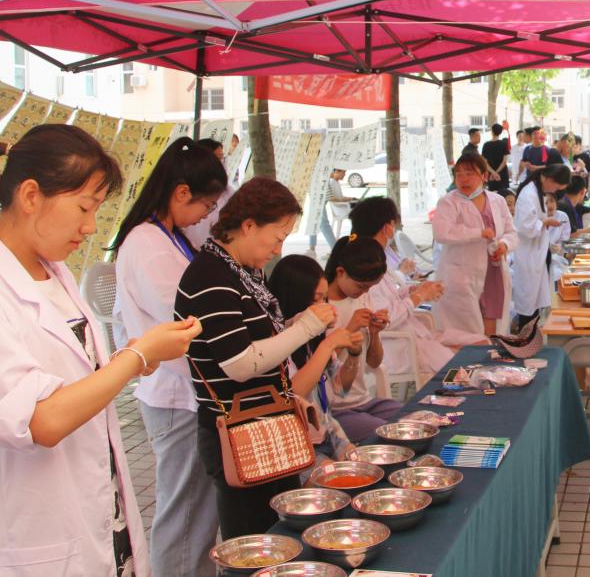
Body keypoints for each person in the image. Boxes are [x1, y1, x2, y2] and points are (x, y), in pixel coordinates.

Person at [0, 124, 202, 576]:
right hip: (37, 532)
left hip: (99, 510)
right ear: (30, 195)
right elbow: (41, 419)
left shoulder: (54, 273)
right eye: (84, 207)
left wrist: (132, 357)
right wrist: (134, 359)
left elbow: (71, 380)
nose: (90, 227)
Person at [177, 177, 337, 539]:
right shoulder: (210, 277)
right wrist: (306, 327)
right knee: (253, 541)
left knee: (279, 535)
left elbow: (261, 341)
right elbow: (240, 364)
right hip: (239, 429)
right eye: (277, 237)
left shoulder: (244, 271)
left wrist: (298, 323)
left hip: (268, 418)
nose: (278, 248)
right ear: (248, 225)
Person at [110, 137, 226, 577]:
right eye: (206, 205)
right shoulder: (147, 243)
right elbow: (185, 318)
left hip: (183, 393)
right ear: (181, 192)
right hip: (174, 397)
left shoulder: (171, 237)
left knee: (197, 515)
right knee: (184, 516)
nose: (206, 216)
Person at [350, 197, 488, 378]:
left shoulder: (375, 256)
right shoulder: (365, 266)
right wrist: (419, 297)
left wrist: (412, 291)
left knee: (481, 344)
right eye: (393, 225)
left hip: (418, 335)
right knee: (466, 368)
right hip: (401, 346)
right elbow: (382, 318)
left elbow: (387, 297)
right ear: (387, 228)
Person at [267, 255, 361, 466]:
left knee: (363, 467)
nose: (324, 307)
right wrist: (329, 345)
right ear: (294, 299)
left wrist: (354, 355)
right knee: (339, 479)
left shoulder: (315, 339)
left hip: (328, 433)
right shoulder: (276, 343)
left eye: (325, 299)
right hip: (295, 445)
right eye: (316, 299)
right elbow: (293, 395)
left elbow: (341, 388)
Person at [322, 236, 402, 442]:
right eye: (361, 286)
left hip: (364, 401)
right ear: (340, 272)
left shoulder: (362, 298)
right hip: (335, 408)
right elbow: (318, 368)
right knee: (389, 434)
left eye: (370, 287)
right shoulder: (322, 307)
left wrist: (374, 333)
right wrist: (350, 329)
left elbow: (374, 362)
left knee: (416, 419)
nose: (365, 292)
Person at [433, 153, 518, 335]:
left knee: (492, 328)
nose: (463, 179)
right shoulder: (448, 202)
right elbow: (442, 232)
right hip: (461, 276)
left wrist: (504, 245)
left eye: (469, 173)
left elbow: (511, 232)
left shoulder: (497, 201)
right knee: (466, 335)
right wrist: (478, 233)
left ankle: (491, 352)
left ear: (484, 176)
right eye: (459, 174)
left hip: (494, 273)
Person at [512, 163, 571, 327]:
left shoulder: (538, 191)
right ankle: (525, 337)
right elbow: (525, 226)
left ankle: (532, 335)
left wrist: (545, 222)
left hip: (538, 253)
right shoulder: (529, 193)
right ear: (550, 179)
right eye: (556, 187)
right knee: (528, 304)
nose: (554, 191)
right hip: (529, 254)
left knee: (535, 303)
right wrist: (545, 222)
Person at [182, 138, 234, 250]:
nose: (221, 163)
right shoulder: (189, 189)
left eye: (222, 158)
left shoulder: (229, 192)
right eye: (217, 159)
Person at [481, 123, 510, 191]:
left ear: (492, 131)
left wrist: (493, 173)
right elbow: (504, 162)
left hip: (491, 175)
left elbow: (484, 162)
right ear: (500, 132)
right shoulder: (504, 144)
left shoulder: (486, 145)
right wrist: (496, 173)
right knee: (504, 194)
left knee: (492, 194)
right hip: (502, 174)